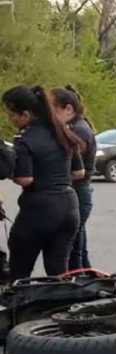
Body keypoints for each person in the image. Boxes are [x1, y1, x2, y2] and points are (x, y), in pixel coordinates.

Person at [2, 86, 84, 279]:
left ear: (25, 114)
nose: (10, 120)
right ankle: (61, 306)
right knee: (58, 271)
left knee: (20, 272)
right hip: (69, 208)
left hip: (39, 211)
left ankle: (19, 307)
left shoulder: (25, 139)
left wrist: (8, 172)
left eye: (12, 115)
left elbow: (25, 179)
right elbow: (79, 172)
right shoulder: (61, 131)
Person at [52, 86, 96, 270]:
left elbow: (78, 169)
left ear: (69, 108)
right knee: (79, 245)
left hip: (79, 193)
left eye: (54, 108)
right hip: (80, 193)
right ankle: (86, 278)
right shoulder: (79, 126)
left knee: (71, 248)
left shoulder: (78, 130)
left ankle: (76, 285)